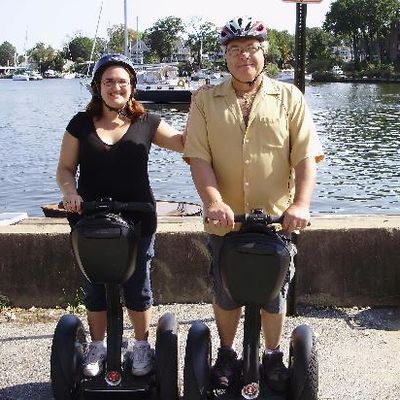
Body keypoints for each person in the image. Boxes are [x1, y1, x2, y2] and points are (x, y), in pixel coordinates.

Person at [183, 16, 324, 392]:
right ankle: (227, 353)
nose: (243, 56)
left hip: (276, 220)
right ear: (225, 56)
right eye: (235, 50)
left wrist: (301, 204)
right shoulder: (205, 100)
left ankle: (273, 354)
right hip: (225, 220)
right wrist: (213, 201)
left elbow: (305, 157)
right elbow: (199, 158)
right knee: (226, 292)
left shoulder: (290, 97)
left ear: (264, 53)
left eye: (251, 49)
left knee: (273, 295)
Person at [56, 53, 184, 378]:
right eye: (109, 81)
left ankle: (141, 344)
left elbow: (184, 143)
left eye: (123, 82)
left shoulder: (147, 122)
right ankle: (98, 344)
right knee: (95, 288)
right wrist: (70, 192)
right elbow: (65, 169)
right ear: (97, 86)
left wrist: (201, 108)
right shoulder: (80, 123)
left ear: (132, 86)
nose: (116, 87)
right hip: (90, 220)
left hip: (138, 218)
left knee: (138, 286)